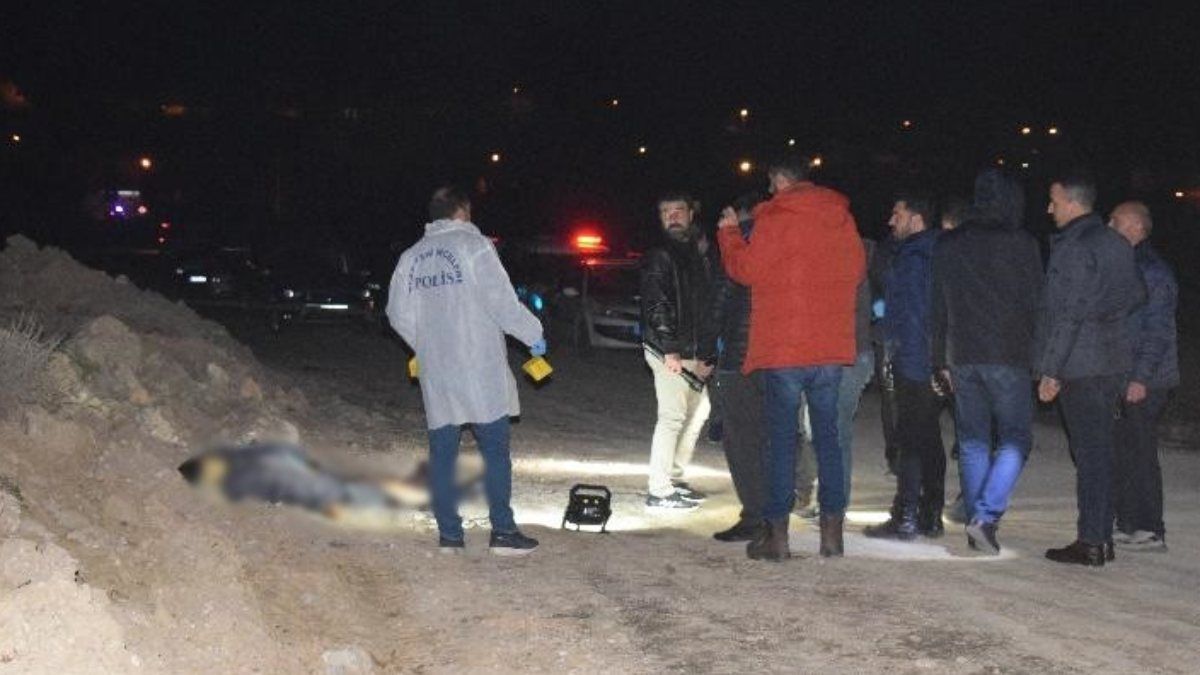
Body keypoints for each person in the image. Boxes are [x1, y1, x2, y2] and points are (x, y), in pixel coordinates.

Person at [718, 153, 865, 559]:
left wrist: (729, 234)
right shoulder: (840, 217)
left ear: (780, 180)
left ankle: (777, 537)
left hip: (784, 347)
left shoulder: (775, 217)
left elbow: (746, 270)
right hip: (829, 348)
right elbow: (856, 273)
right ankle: (831, 536)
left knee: (781, 441)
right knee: (828, 440)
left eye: (770, 185)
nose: (769, 192)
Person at [386, 186, 546, 555]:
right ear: (463, 211)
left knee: (443, 453)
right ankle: (502, 531)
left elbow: (396, 314)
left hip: (438, 370)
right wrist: (533, 334)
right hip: (479, 366)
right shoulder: (475, 247)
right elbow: (502, 302)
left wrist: (424, 343)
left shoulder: (411, 257)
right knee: (494, 450)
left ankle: (450, 536)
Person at [931, 170, 1043, 554]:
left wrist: (939, 359)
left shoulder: (950, 243)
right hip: (1009, 354)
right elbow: (1036, 302)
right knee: (1015, 438)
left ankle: (976, 521)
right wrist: (1041, 356)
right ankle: (985, 515)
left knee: (973, 440)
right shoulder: (1022, 243)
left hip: (962, 353)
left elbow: (937, 304)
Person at [1038, 173, 1145, 567]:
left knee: (1090, 455)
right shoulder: (1116, 242)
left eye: (1054, 200)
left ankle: (1092, 541)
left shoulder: (1074, 246)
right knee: (1099, 451)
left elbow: (1068, 314)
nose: (1049, 208)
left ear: (1072, 202)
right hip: (1113, 360)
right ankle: (1101, 536)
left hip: (1082, 365)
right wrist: (1107, 318)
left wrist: (1051, 370)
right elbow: (1138, 294)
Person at [864, 193, 945, 541]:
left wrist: (901, 356)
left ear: (916, 218)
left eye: (897, 214)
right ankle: (931, 515)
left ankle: (906, 516)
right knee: (929, 438)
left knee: (909, 439)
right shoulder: (937, 251)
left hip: (915, 361)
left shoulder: (914, 257)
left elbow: (913, 314)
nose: (890, 221)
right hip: (930, 361)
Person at [639, 192, 719, 510]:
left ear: (690, 214)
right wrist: (669, 348)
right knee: (672, 418)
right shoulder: (660, 254)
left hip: (693, 351)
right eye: (665, 212)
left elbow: (705, 307)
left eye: (678, 211)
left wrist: (708, 354)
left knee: (698, 413)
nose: (672, 217)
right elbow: (656, 302)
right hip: (669, 349)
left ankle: (673, 478)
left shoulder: (695, 254)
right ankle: (659, 490)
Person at [1109, 201, 1178, 552]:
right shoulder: (1130, 265)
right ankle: (1129, 522)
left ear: (1136, 227)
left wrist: (1140, 377)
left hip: (1147, 380)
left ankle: (1150, 527)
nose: (1110, 226)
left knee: (1140, 453)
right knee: (1125, 451)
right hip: (1127, 376)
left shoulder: (1152, 271)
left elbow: (1157, 330)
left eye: (1116, 221)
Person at [709, 192, 768, 541]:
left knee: (741, 439)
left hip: (740, 355)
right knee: (772, 435)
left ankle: (755, 515)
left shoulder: (738, 241)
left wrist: (705, 348)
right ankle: (775, 509)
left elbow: (722, 297)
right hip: (778, 357)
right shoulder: (784, 238)